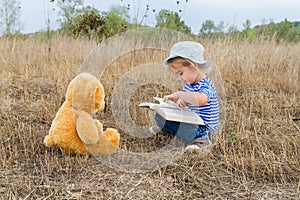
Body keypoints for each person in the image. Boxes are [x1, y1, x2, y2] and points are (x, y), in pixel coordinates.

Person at [150, 41, 219, 151]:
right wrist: (178, 100)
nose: (180, 78)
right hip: (191, 121)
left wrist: (180, 94)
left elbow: (201, 100)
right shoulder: (189, 84)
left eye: (181, 73)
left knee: (186, 128)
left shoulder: (205, 85)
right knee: (159, 117)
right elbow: (188, 98)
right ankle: (169, 129)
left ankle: (202, 140)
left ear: (194, 66)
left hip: (204, 128)